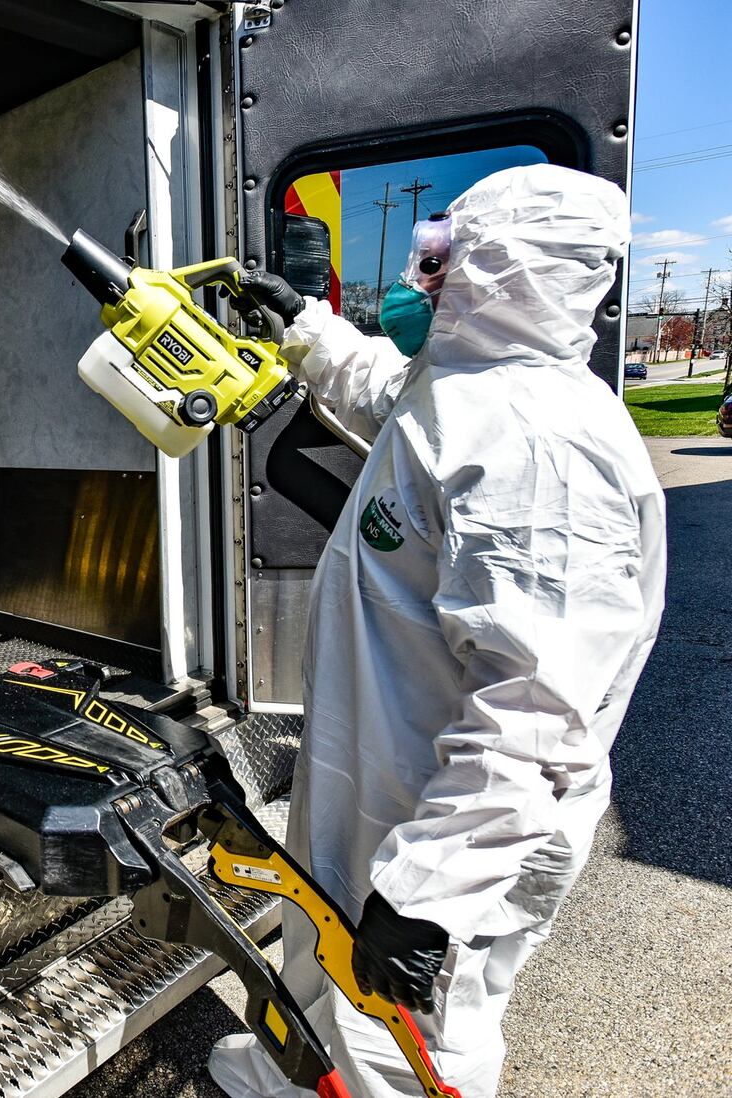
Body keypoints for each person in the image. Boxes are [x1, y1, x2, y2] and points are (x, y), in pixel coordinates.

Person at [209, 163, 666, 1097]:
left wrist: (431, 893)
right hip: (385, 770)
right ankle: (293, 1076)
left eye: (441, 259)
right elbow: (388, 393)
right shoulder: (468, 387)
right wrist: (302, 320)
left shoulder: (543, 457)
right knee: (323, 941)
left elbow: (537, 716)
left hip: (451, 815)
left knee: (410, 1032)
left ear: (505, 271)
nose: (422, 279)